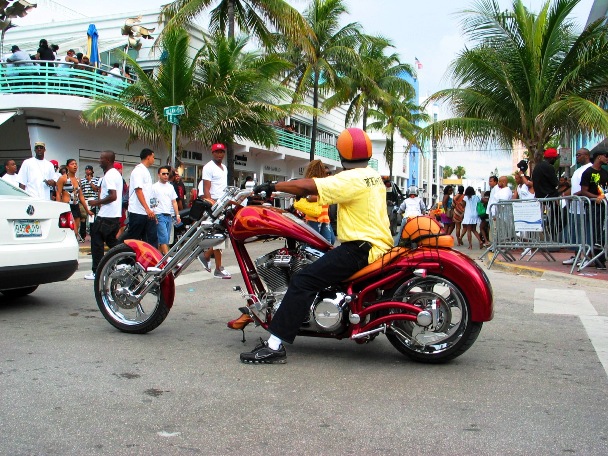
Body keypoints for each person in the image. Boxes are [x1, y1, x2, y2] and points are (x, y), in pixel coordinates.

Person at [239, 128, 393, 364]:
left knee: (303, 279)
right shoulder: (370, 175)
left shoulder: (349, 178)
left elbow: (309, 186)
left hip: (360, 248)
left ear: (342, 152)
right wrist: (303, 196)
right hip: (375, 244)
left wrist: (273, 187)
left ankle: (274, 345)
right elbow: (318, 195)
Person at [85, 151, 123, 280]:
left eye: (102, 158)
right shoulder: (115, 174)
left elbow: (113, 196)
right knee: (112, 242)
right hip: (114, 216)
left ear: (108, 160)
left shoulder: (110, 175)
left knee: (96, 242)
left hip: (106, 215)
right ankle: (123, 261)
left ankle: (97, 271)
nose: (99, 160)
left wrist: (97, 202)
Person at [197, 143, 231, 279]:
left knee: (223, 234)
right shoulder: (208, 167)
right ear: (212, 153)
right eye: (217, 152)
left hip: (224, 203)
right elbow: (206, 188)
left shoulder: (224, 168)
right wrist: (210, 203)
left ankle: (205, 255)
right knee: (219, 236)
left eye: (221, 152)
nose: (219, 154)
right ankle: (218, 268)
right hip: (215, 205)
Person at [577, 150, 608, 270]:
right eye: (606, 156)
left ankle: (601, 257)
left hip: (604, 205)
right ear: (599, 157)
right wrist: (597, 197)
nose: (607, 159)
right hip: (594, 206)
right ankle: (599, 260)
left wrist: (603, 196)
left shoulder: (605, 173)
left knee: (603, 231)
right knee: (596, 231)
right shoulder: (588, 172)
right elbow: (584, 191)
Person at [563, 148, 592, 266]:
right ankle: (577, 256)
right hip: (574, 207)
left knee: (585, 233)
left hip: (584, 207)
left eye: (579, 155)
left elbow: (589, 187)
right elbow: (575, 186)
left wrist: (575, 195)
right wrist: (568, 194)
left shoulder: (590, 169)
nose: (577, 157)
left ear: (586, 155)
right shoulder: (577, 170)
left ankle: (588, 257)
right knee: (574, 233)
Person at [122, 148, 157, 246]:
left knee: (150, 238)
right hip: (138, 212)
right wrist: (147, 209)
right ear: (148, 157)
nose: (154, 159)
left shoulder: (146, 171)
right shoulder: (138, 171)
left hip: (147, 213)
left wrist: (152, 211)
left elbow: (149, 193)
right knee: (134, 239)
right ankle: (126, 259)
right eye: (153, 157)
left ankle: (149, 261)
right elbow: (138, 191)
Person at [56, 158, 93, 242]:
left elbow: (81, 196)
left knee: (75, 233)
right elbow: (58, 193)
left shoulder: (78, 180)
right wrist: (58, 207)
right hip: (67, 206)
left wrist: (87, 210)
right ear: (67, 167)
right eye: (72, 164)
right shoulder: (63, 178)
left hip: (75, 206)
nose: (75, 166)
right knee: (72, 230)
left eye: (76, 164)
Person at [299, 159, 334, 244]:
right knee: (322, 243)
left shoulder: (316, 181)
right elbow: (311, 197)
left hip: (321, 217)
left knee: (326, 241)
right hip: (315, 216)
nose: (327, 174)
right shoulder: (316, 181)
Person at [151, 166, 181, 255]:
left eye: (167, 174)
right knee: (163, 238)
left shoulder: (170, 187)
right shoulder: (154, 187)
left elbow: (174, 201)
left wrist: (177, 214)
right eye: (163, 174)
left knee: (165, 239)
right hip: (159, 214)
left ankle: (158, 259)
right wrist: (154, 214)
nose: (166, 176)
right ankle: (167, 260)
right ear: (158, 175)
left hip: (169, 215)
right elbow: (152, 201)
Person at [80, 165, 100, 242]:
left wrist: (89, 181)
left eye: (89, 170)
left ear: (92, 171)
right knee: (83, 219)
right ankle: (82, 236)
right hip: (84, 201)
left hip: (93, 201)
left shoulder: (96, 180)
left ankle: (93, 236)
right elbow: (81, 190)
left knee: (92, 219)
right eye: (86, 169)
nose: (87, 171)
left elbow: (95, 189)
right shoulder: (82, 180)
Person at [112, 162, 129, 239]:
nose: (119, 171)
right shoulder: (111, 179)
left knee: (122, 225)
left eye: (120, 169)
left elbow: (126, 192)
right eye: (117, 169)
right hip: (115, 207)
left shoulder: (122, 180)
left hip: (121, 206)